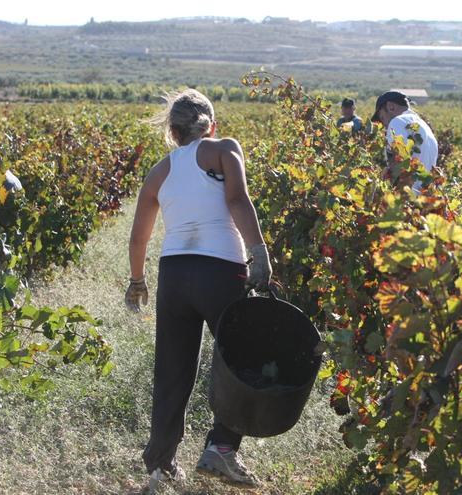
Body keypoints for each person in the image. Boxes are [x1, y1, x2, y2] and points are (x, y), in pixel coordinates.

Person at [125, 89, 271, 491]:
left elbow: (139, 236)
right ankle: (221, 448)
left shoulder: (161, 171)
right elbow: (238, 200)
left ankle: (160, 464)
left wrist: (137, 281)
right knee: (242, 357)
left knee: (172, 370)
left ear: (172, 132)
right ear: (212, 124)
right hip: (221, 270)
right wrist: (258, 253)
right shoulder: (224, 149)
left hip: (174, 275)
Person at [370, 90, 438, 190]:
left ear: (391, 107)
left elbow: (400, 163)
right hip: (425, 196)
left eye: (382, 118)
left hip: (407, 196)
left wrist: (387, 174)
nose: (384, 125)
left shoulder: (397, 122)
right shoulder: (425, 127)